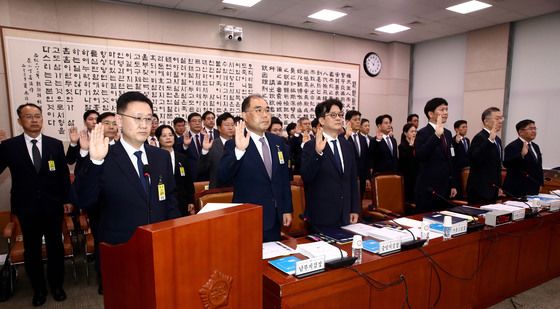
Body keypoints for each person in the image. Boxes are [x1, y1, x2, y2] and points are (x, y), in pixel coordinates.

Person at [74, 91, 180, 246]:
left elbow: (170, 198)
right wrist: (96, 162)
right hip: (120, 247)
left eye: (148, 119)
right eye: (137, 118)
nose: (144, 125)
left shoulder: (161, 157)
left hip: (160, 243)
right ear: (119, 120)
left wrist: (174, 231)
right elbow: (83, 200)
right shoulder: (104, 157)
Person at [0, 103, 71, 306]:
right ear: (20, 120)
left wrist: (67, 199)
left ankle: (57, 286)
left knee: (55, 247)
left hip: (53, 206)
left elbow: (63, 176)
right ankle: (39, 289)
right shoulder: (9, 146)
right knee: (32, 250)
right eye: (29, 116)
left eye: (37, 116)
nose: (34, 120)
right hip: (26, 207)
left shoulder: (54, 144)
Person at [218, 94, 292, 242]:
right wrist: (239, 151)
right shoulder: (234, 144)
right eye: (258, 110)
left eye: (267, 110)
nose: (265, 115)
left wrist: (286, 209)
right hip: (249, 217)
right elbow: (222, 177)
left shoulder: (278, 142)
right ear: (244, 115)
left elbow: (283, 179)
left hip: (275, 218)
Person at [300, 99, 360, 229]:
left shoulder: (348, 145)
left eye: (340, 115)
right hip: (321, 215)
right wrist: (318, 153)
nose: (338, 118)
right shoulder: (310, 146)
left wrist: (354, 208)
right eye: (333, 115)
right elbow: (307, 177)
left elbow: (352, 179)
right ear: (321, 120)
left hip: (345, 214)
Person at [414, 98, 457, 213]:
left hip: (445, 187)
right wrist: (436, 136)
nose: (445, 112)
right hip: (428, 188)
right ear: (430, 113)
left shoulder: (447, 133)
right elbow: (420, 156)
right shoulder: (422, 133)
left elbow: (450, 160)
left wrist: (453, 184)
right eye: (442, 109)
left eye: (447, 109)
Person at [467, 107, 504, 205]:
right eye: (497, 118)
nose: (500, 121)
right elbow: (475, 159)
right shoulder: (479, 137)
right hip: (480, 190)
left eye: (501, 118)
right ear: (486, 121)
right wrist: (489, 141)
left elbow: (497, 165)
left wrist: (499, 186)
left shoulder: (498, 139)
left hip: (493, 189)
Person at [156, 124, 195, 216]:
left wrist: (190, 201)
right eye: (164, 136)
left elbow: (188, 181)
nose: (168, 138)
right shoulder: (154, 158)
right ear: (158, 139)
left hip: (181, 202)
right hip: (162, 202)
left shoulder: (182, 158)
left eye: (170, 135)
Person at [503, 119, 544, 196]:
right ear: (520, 132)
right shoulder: (512, 146)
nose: (534, 131)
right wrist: (521, 155)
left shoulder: (535, 147)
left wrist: (540, 183)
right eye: (530, 129)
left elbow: (538, 167)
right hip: (517, 189)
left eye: (535, 129)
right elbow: (507, 164)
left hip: (533, 188)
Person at [197, 112, 235, 189]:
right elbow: (201, 169)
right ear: (219, 128)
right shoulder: (212, 145)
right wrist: (205, 150)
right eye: (227, 125)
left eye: (232, 125)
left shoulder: (240, 144)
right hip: (217, 189)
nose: (230, 128)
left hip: (237, 189)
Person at [345, 110, 370, 199]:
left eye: (359, 119)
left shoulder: (363, 139)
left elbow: (366, 159)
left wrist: (367, 177)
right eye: (355, 120)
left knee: (359, 201)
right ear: (348, 122)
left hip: (362, 177)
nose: (358, 122)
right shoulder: (343, 137)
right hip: (348, 177)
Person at [175, 112, 207, 181]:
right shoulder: (181, 139)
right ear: (189, 123)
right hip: (189, 175)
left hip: (206, 175)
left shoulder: (207, 138)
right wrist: (185, 146)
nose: (197, 123)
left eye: (199, 121)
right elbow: (178, 156)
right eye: (194, 121)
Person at [398, 123, 417, 204]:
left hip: (417, 176)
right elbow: (405, 161)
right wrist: (410, 146)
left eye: (415, 131)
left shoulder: (418, 144)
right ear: (405, 133)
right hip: (407, 177)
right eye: (412, 131)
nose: (414, 133)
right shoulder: (402, 146)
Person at [452, 120, 470, 199]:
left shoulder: (467, 140)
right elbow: (453, 155)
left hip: (467, 169)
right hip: (458, 170)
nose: (465, 129)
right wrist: (456, 142)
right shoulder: (453, 140)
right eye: (463, 127)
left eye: (466, 127)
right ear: (456, 129)